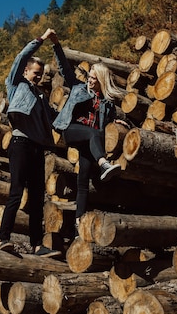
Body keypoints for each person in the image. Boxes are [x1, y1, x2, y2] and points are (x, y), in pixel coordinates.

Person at [0, 28, 63, 258]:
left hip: (37, 149)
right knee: (16, 192)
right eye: (36, 72)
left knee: (37, 198)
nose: (39, 76)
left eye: (41, 73)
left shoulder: (41, 98)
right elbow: (20, 57)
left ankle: (36, 245)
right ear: (25, 71)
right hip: (20, 144)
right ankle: (3, 238)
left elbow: (58, 118)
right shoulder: (16, 85)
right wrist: (42, 39)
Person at [51, 51, 128, 236]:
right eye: (90, 77)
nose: (90, 81)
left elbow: (108, 123)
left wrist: (116, 123)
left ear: (101, 80)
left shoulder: (107, 103)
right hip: (71, 131)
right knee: (93, 133)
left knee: (83, 180)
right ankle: (103, 164)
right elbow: (64, 68)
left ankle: (79, 223)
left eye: (94, 78)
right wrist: (56, 45)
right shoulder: (78, 87)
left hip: (89, 141)